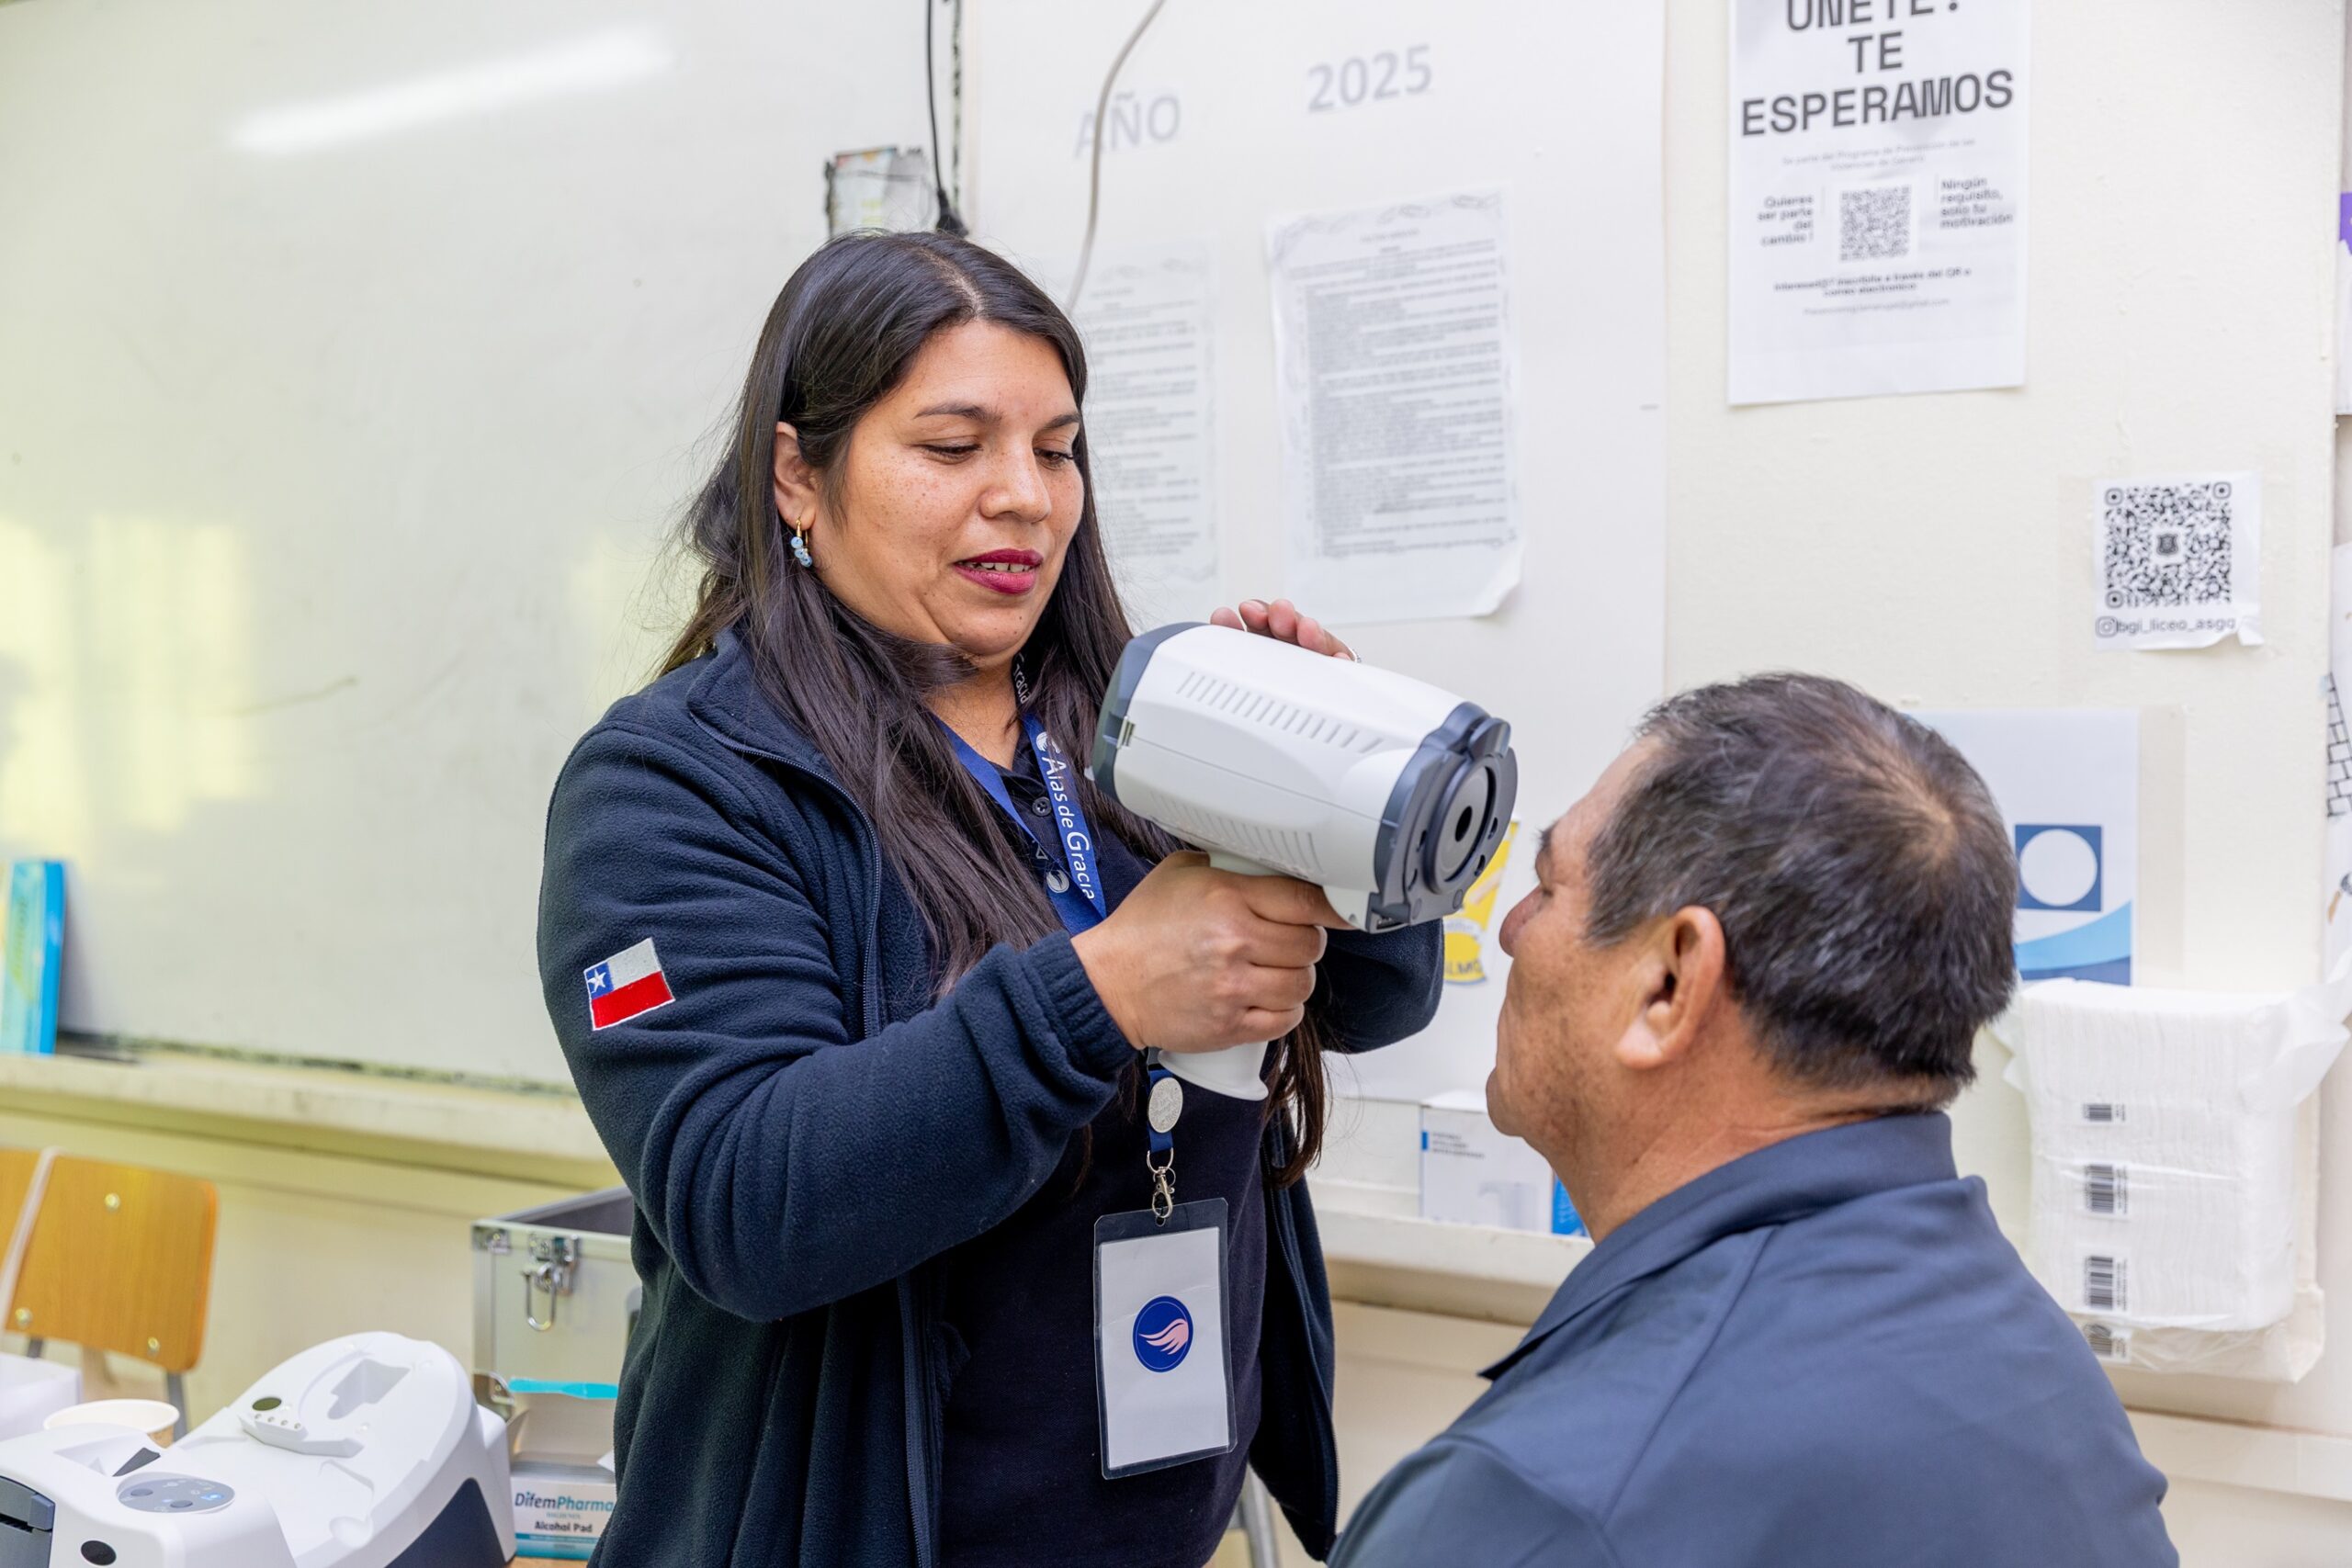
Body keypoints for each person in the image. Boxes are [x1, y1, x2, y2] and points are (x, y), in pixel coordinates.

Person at [537, 230, 1441, 1568]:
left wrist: (1346, 792)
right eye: (952, 448)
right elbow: (746, 1198)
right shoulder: (676, 782)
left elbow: (1376, 999)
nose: (1022, 496)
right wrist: (1106, 987)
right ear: (799, 472)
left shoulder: (1134, 715)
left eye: (1056, 447)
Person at [1333, 673, 2177, 1568]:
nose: (1509, 932)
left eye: (1545, 887)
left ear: (1669, 983)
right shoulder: (2038, 1375)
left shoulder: (1550, 1501)